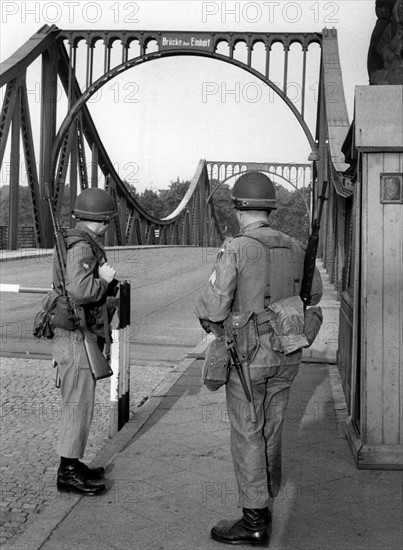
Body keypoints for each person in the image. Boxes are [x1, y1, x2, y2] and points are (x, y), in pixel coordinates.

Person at [195, 172, 323, 545]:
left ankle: (254, 520)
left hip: (249, 358)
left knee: (248, 432)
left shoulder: (234, 248)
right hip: (288, 352)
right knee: (272, 428)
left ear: (238, 209)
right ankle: (264, 501)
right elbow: (311, 295)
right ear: (270, 208)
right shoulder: (297, 247)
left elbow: (214, 309)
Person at [51, 187, 117, 496]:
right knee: (77, 405)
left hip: (76, 334)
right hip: (76, 337)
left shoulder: (75, 241)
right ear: (101, 220)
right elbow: (80, 291)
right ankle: (67, 473)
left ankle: (74, 464)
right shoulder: (82, 248)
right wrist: (103, 279)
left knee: (80, 404)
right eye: (108, 220)